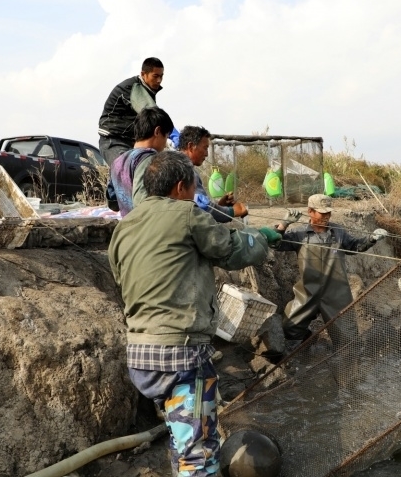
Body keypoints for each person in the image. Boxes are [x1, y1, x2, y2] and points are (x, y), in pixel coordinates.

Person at [108, 149, 276, 477]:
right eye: (193, 189)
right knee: (198, 456)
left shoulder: (123, 229)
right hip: (180, 356)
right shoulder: (186, 214)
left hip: (141, 358)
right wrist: (261, 238)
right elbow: (231, 250)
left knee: (181, 437)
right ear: (182, 187)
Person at [273, 194, 388, 347]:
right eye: (322, 212)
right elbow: (275, 244)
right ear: (310, 211)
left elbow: (354, 247)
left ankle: (345, 364)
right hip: (308, 292)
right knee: (289, 326)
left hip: (336, 293)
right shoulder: (299, 234)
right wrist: (283, 225)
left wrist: (371, 239)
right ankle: (306, 345)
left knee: (347, 338)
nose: (326, 216)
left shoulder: (338, 232)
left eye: (328, 212)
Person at [98, 57, 166, 167]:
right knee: (125, 171)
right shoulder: (133, 88)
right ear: (143, 74)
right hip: (113, 141)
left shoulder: (148, 91)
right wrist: (171, 132)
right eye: (155, 76)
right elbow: (152, 114)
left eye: (161, 76)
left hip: (131, 143)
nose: (159, 80)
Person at [109, 106, 174, 216]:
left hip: (127, 229)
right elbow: (143, 203)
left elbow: (113, 203)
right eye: (166, 136)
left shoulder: (117, 162)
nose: (165, 143)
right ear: (157, 131)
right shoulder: (151, 159)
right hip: (147, 229)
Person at [177, 125, 249, 223]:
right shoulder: (186, 170)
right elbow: (202, 209)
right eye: (205, 148)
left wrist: (220, 205)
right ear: (190, 146)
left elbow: (199, 205)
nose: (206, 154)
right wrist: (233, 211)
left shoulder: (175, 164)